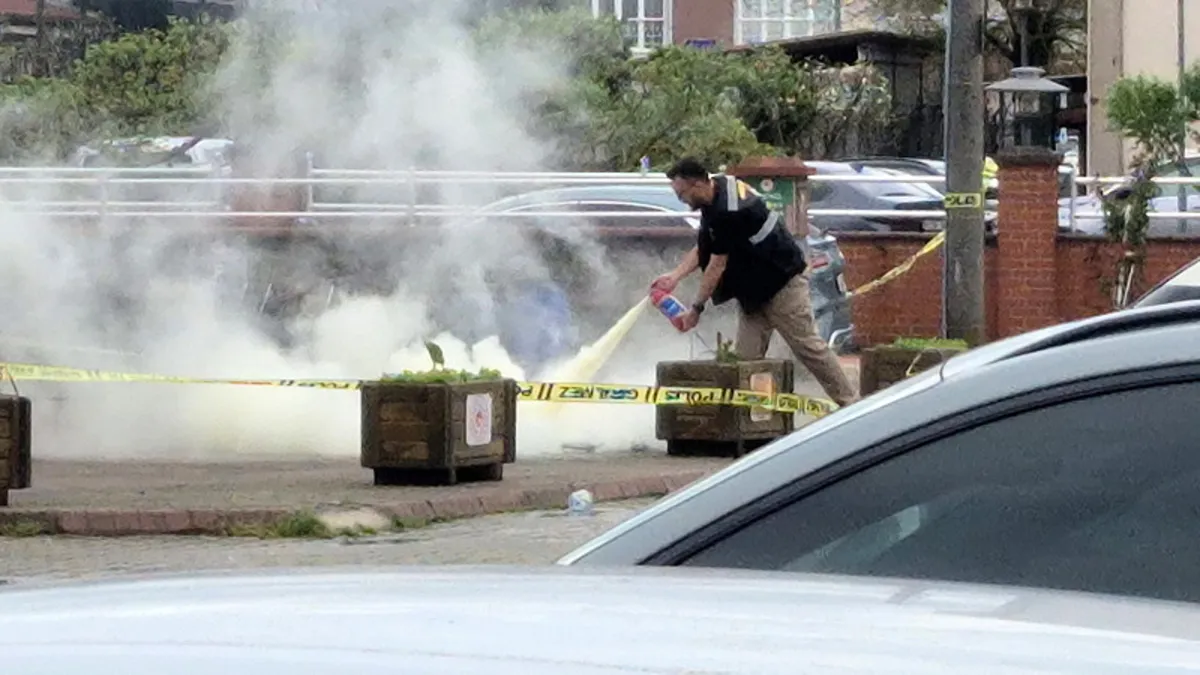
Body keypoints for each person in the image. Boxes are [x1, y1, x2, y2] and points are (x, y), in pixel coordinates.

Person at [652, 157, 859, 407]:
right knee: (746, 360)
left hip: (783, 283)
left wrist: (696, 309)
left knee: (808, 348)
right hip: (755, 290)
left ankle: (851, 404)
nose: (681, 200)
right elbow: (705, 246)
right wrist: (674, 276)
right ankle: (754, 421)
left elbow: (717, 265)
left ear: (696, 184)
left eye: (681, 194)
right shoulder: (718, 190)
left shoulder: (729, 211)